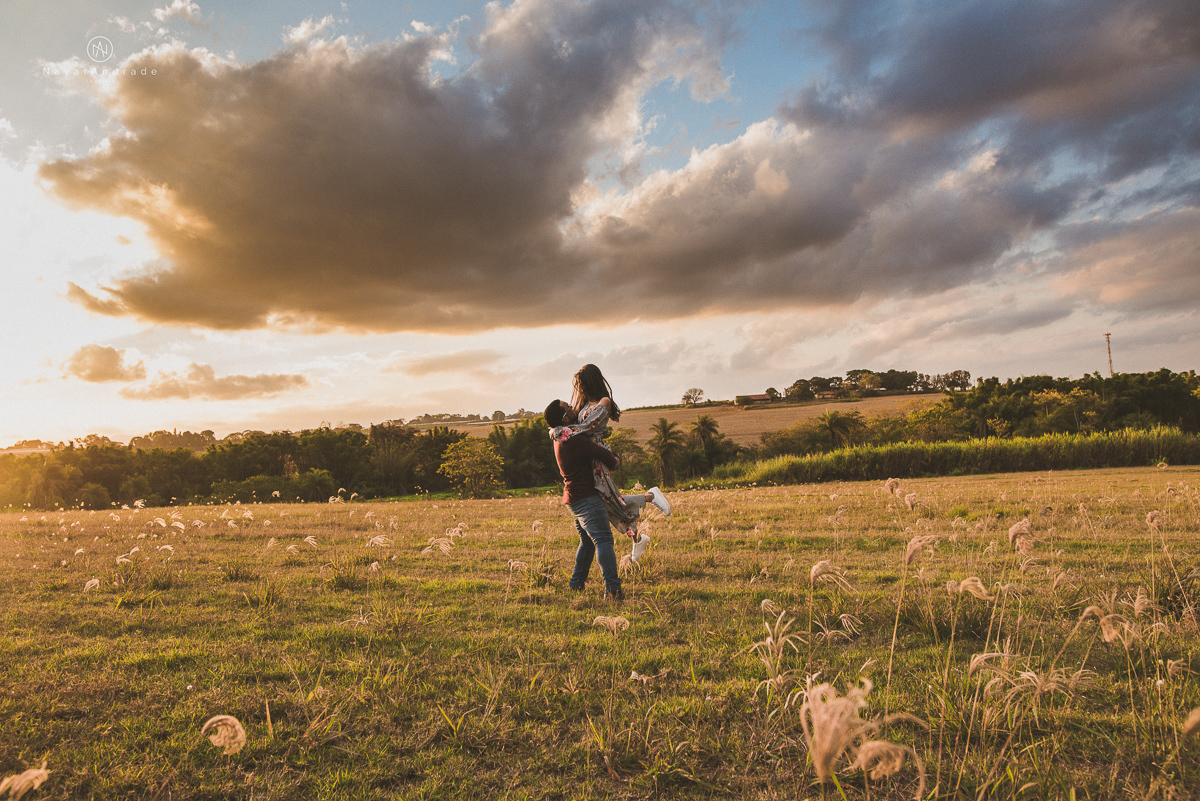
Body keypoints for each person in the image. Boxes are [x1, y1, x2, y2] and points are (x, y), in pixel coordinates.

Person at [550, 364, 670, 562]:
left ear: (590, 382)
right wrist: (559, 429)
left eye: (581, 384)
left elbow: (587, 427)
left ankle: (649, 497)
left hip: (598, 459)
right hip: (587, 459)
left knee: (610, 500)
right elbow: (573, 426)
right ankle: (637, 536)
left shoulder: (604, 402)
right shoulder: (581, 406)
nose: (579, 389)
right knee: (605, 504)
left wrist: (558, 430)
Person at [545, 398, 625, 600]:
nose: (574, 409)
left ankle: (576, 585)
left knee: (588, 543)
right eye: (569, 408)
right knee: (604, 540)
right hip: (586, 497)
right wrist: (614, 459)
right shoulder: (573, 439)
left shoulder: (559, 437)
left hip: (573, 499)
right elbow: (602, 454)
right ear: (565, 417)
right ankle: (613, 591)